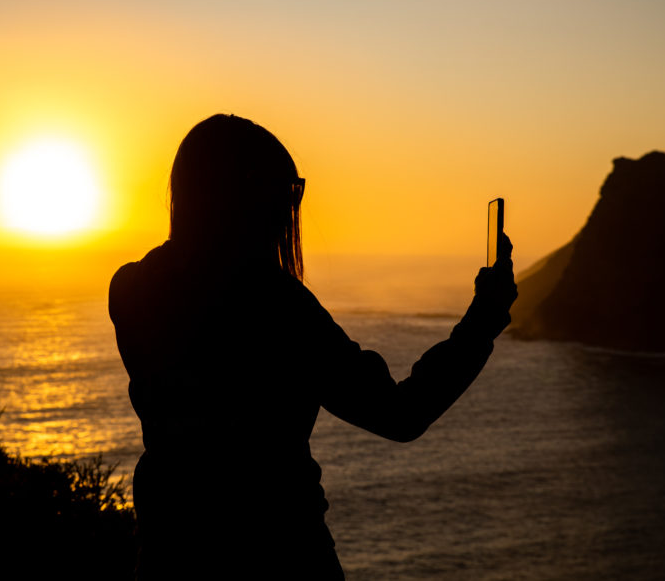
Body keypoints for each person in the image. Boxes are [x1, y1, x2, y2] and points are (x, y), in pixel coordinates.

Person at [109, 114, 517, 580]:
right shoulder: (275, 306)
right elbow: (401, 413)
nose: (290, 207)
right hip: (283, 557)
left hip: (169, 559)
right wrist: (483, 319)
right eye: (287, 191)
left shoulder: (129, 289)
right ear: (247, 196)